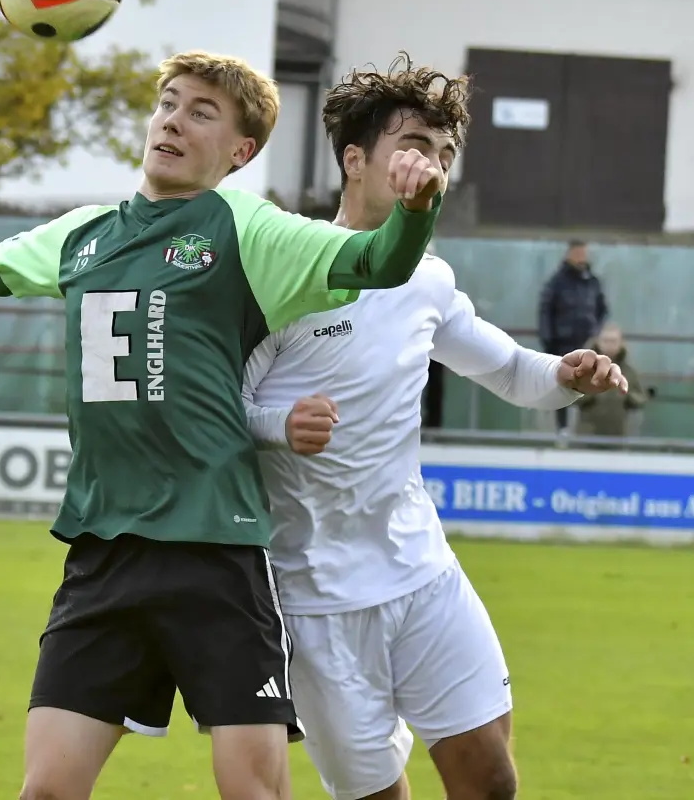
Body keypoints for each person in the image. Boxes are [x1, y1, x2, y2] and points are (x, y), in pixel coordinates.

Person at [0, 49, 445, 800]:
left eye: (201, 113)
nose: (174, 121)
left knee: (253, 792)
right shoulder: (89, 233)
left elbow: (378, 263)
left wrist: (416, 212)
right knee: (45, 792)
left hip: (213, 550)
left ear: (241, 151)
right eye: (168, 103)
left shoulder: (249, 229)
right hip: (104, 551)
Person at [240, 57, 628, 800]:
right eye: (416, 144)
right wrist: (278, 424)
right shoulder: (281, 274)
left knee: (490, 780)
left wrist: (565, 374)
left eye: (446, 155)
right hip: (314, 599)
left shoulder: (429, 280)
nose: (435, 166)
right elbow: (218, 409)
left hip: (424, 577)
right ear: (356, 161)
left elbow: (514, 371)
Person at [537, 239, 609, 431]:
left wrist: (596, 332)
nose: (581, 258)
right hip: (563, 344)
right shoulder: (557, 282)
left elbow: (602, 309)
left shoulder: (592, 282)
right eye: (578, 253)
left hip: (588, 344)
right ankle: (562, 429)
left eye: (584, 253)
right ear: (569, 254)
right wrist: (548, 340)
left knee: (590, 386)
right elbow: (545, 311)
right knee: (563, 387)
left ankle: (585, 428)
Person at [574, 322, 644, 438]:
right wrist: (591, 393)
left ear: (621, 343)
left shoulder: (629, 372)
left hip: (619, 435)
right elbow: (571, 397)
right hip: (587, 436)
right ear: (598, 341)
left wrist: (626, 396)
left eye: (613, 341)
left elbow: (640, 398)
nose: (609, 345)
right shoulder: (584, 369)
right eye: (606, 340)